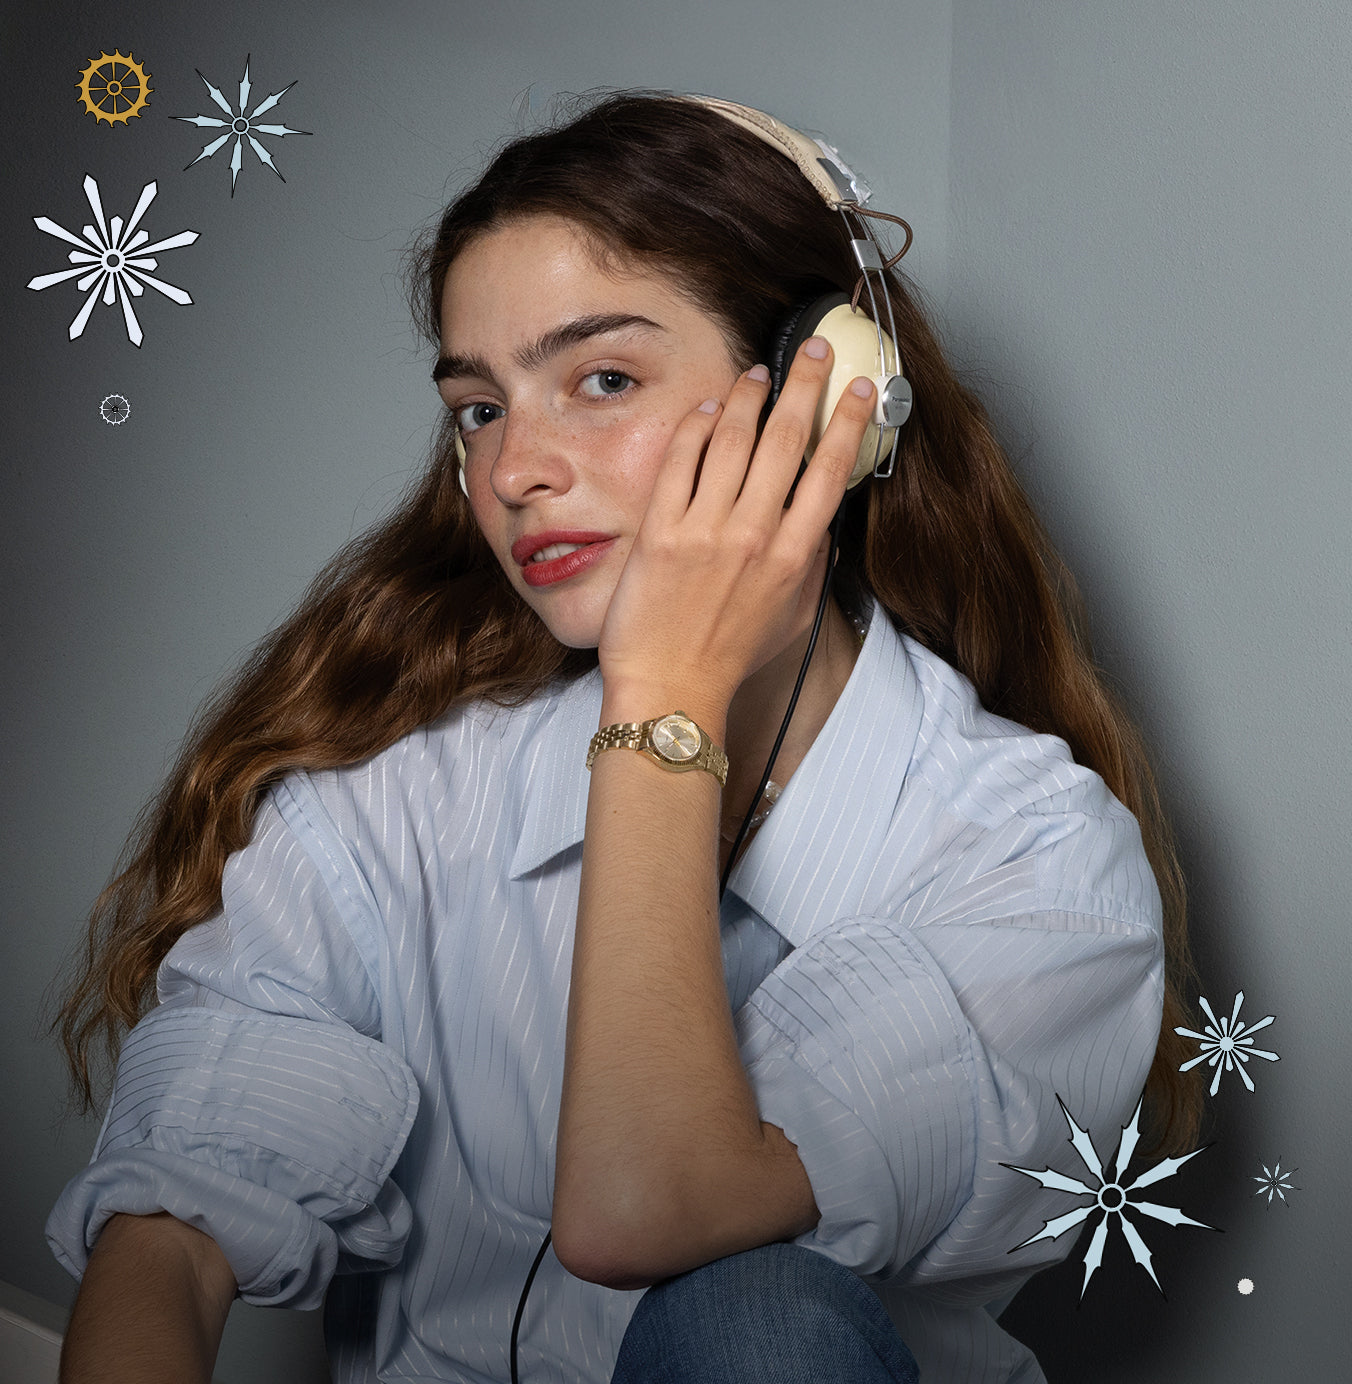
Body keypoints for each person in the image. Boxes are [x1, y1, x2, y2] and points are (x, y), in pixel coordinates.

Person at [48, 91, 1201, 1384]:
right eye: (480, 408)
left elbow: (640, 1211)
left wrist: (663, 699)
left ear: (832, 402)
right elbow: (165, 1233)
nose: (513, 471)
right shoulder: (401, 801)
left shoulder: (1039, 868)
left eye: (602, 379)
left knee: (755, 1311)